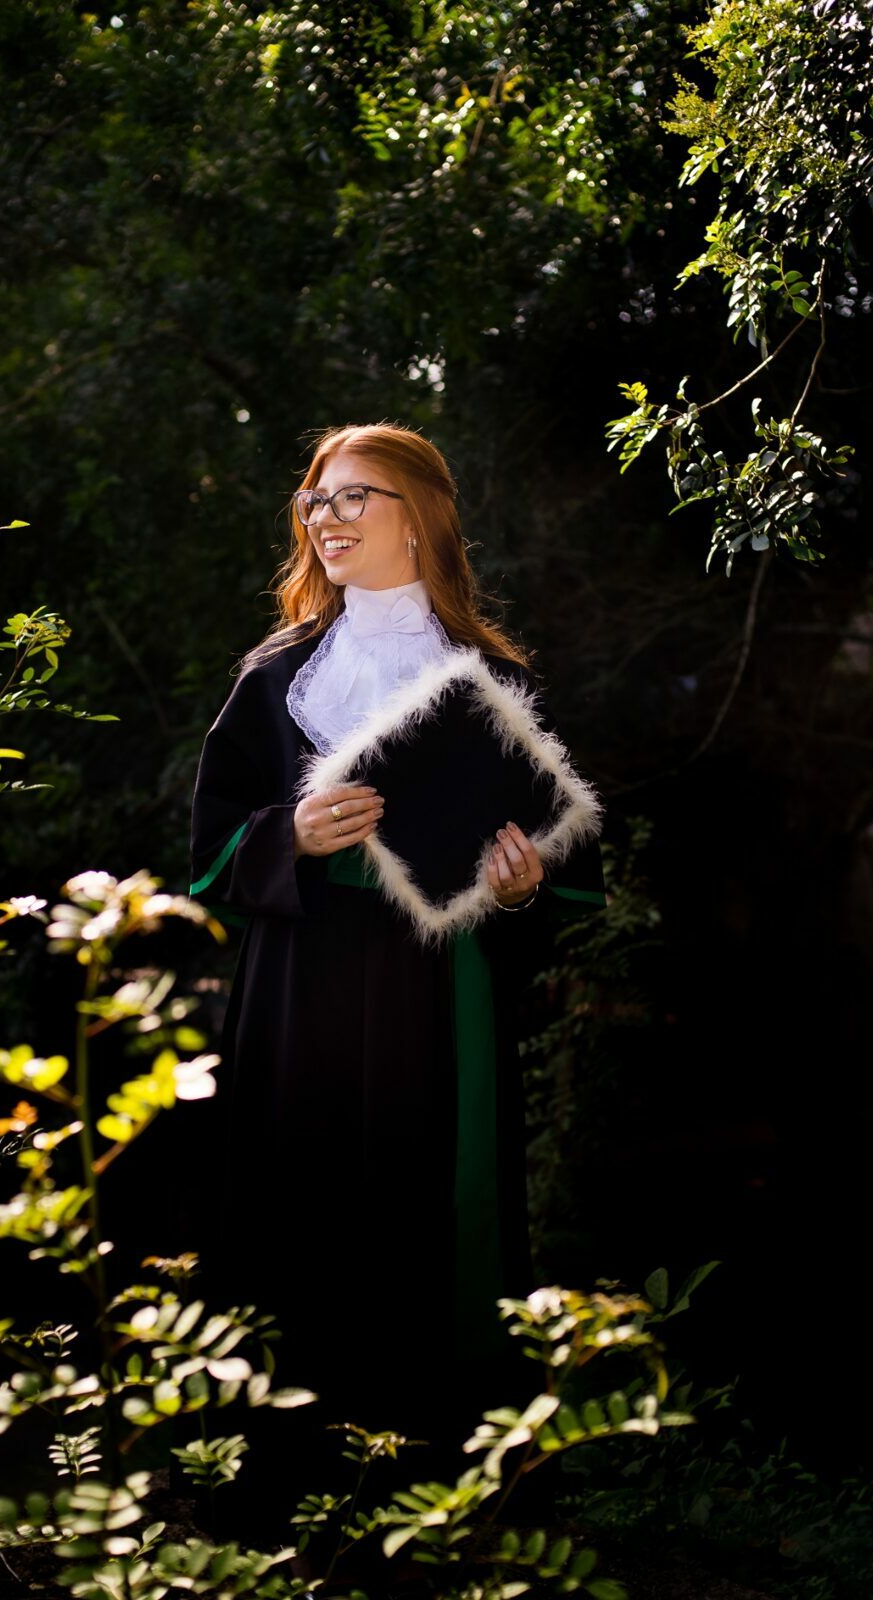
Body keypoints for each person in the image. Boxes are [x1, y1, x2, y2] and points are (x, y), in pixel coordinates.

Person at [186, 423, 605, 1516]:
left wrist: (517, 888)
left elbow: (561, 866)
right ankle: (289, 1481)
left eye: (352, 497)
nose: (324, 519)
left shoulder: (494, 681)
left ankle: (443, 1478)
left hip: (439, 987)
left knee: (434, 1204)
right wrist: (288, 834)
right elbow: (210, 850)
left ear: (418, 517)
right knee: (298, 1204)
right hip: (301, 980)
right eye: (314, 501)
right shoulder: (275, 678)